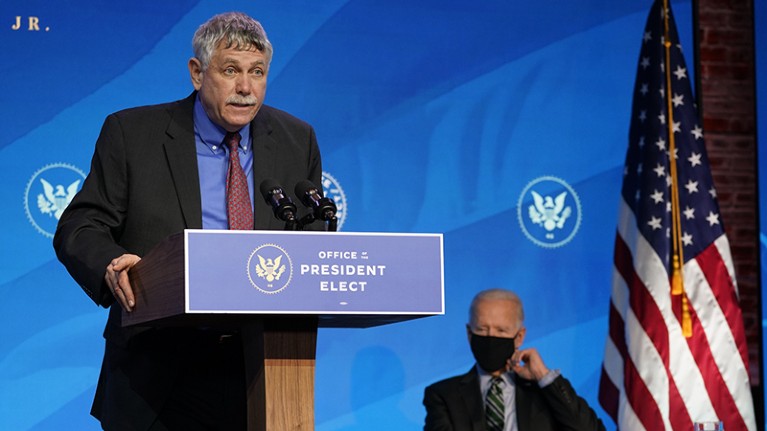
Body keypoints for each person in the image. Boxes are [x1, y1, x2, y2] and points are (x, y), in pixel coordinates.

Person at [53, 12, 322, 431]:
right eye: (230, 70)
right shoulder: (133, 133)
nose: (246, 88)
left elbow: (310, 241)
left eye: (257, 72)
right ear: (197, 73)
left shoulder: (296, 138)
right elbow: (81, 224)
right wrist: (109, 261)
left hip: (264, 365)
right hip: (156, 370)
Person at [423, 288, 606, 431]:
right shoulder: (443, 395)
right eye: (482, 329)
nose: (490, 337)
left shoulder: (545, 392)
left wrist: (543, 376)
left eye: (501, 331)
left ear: (519, 337)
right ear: (469, 334)